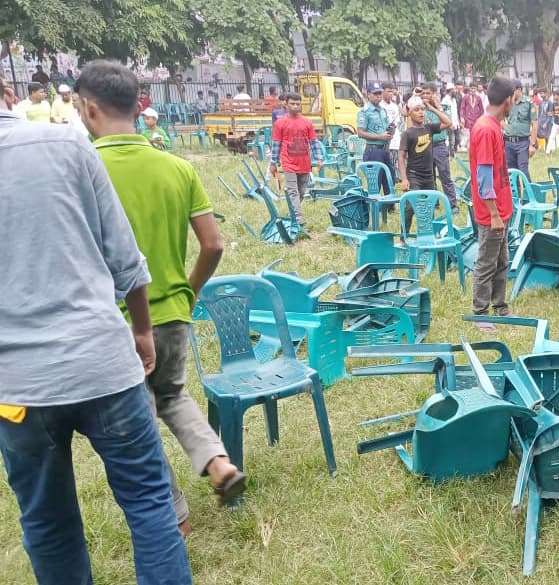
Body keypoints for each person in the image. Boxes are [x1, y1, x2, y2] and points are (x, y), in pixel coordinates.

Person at [0, 71, 192, 585]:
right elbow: (126, 259)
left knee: (46, 521)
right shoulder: (63, 141)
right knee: (150, 503)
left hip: (16, 387)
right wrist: (144, 331)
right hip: (102, 363)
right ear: (8, 93)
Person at [76, 60, 244, 538]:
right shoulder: (177, 167)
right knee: (172, 396)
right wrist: (187, 293)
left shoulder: (84, 167)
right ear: (139, 107)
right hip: (173, 312)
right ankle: (217, 463)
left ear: (88, 109)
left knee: (137, 424)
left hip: (116, 321)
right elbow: (213, 244)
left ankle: (175, 518)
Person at [469, 76, 516, 333]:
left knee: (501, 260)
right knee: (487, 263)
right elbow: (484, 177)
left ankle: (500, 306)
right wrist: (495, 214)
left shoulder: (493, 125)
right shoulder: (486, 129)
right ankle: (480, 313)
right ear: (507, 100)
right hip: (492, 213)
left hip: (501, 209)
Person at [398, 94, 452, 232]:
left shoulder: (429, 128)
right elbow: (401, 156)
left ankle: (428, 235)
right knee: (410, 207)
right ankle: (404, 236)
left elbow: (448, 123)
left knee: (429, 206)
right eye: (417, 110)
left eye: (422, 109)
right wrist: (404, 178)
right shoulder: (408, 133)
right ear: (410, 113)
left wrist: (432, 108)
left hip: (429, 176)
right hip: (414, 175)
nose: (421, 112)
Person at [270, 92, 323, 226]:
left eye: (297, 104)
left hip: (305, 162)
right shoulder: (280, 123)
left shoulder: (307, 122)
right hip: (288, 162)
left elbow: (314, 142)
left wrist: (319, 158)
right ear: (286, 105)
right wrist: (273, 162)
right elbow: (276, 143)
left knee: (301, 191)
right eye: (292, 104)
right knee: (293, 190)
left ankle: (293, 212)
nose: (295, 106)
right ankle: (298, 218)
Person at [421, 83, 460, 207]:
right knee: (429, 176)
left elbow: (448, 122)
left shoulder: (443, 107)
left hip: (439, 146)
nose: (425, 96)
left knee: (445, 176)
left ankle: (452, 205)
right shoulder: (419, 109)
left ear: (434, 94)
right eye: (423, 93)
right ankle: (434, 203)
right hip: (425, 145)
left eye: (428, 93)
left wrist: (437, 107)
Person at [357, 81, 393, 195]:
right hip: (373, 150)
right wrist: (380, 137)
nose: (378, 96)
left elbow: (385, 129)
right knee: (375, 181)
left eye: (380, 94)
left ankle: (389, 206)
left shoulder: (383, 111)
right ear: (368, 95)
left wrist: (391, 130)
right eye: (375, 94)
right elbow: (360, 133)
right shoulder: (365, 112)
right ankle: (375, 204)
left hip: (385, 149)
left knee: (389, 178)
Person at [503, 80, 538, 179]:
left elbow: (534, 124)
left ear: (519, 90)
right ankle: (516, 194)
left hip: (522, 142)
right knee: (511, 172)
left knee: (523, 169)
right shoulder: (508, 103)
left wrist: (532, 145)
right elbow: (500, 119)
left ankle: (529, 192)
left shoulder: (529, 103)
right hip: (509, 142)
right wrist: (508, 128)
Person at [459, 83, 484, 151]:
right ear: (470, 88)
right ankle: (469, 148)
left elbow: (482, 110)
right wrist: (462, 117)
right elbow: (462, 108)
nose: (473, 90)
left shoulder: (478, 98)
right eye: (472, 88)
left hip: (476, 119)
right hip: (468, 119)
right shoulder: (465, 97)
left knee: (476, 133)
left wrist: (481, 119)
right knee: (468, 134)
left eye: (475, 88)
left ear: (476, 89)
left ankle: (475, 147)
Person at [441, 85, 461, 155]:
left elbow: (456, 111)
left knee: (458, 139)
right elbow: (445, 113)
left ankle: (454, 151)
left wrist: (459, 121)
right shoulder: (445, 100)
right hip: (449, 123)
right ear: (450, 90)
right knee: (451, 139)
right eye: (454, 90)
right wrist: (450, 123)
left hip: (456, 123)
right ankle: (452, 154)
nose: (455, 91)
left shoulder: (454, 99)